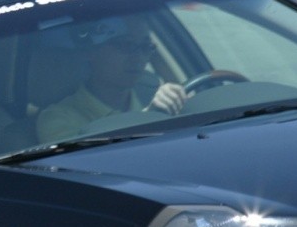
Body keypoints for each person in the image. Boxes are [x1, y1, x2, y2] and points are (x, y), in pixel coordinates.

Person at [37, 18, 187, 144]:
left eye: (145, 47)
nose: (139, 58)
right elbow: (99, 166)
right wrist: (149, 116)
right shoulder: (58, 118)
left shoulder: (154, 94)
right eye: (126, 45)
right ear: (91, 51)